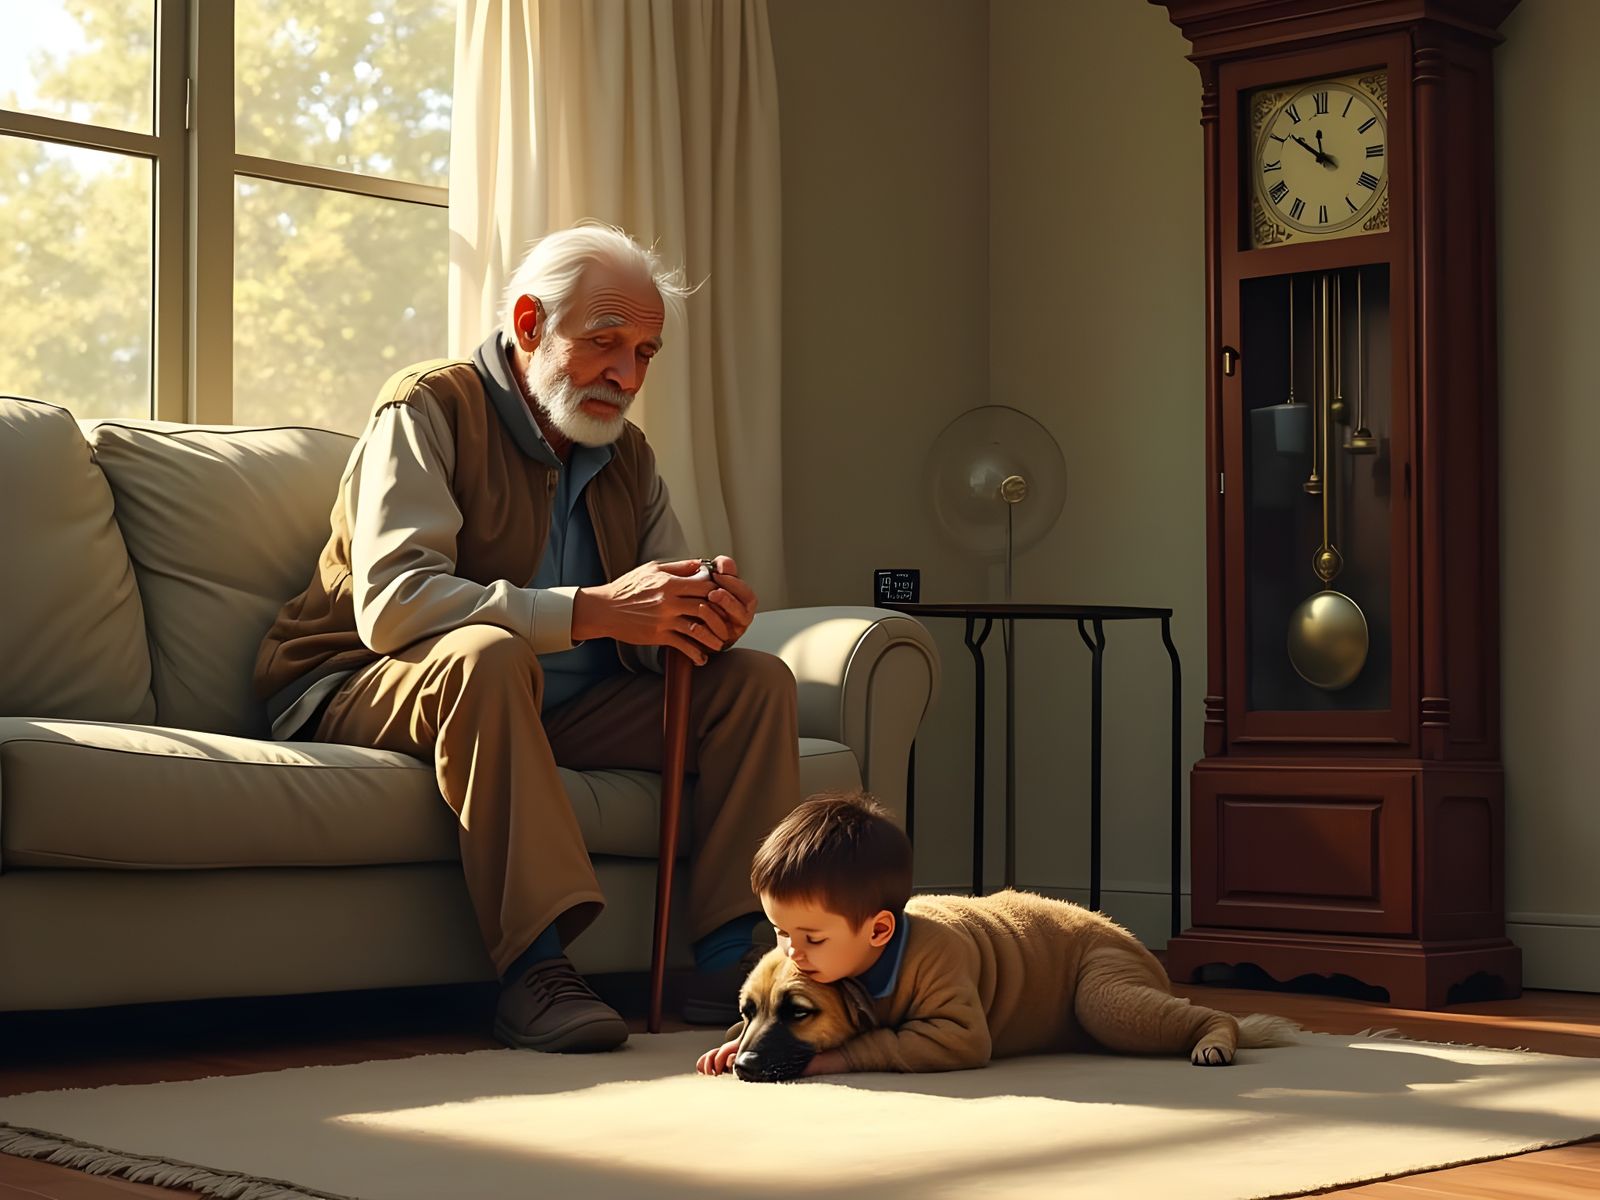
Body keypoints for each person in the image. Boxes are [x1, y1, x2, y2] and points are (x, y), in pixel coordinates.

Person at [253, 221, 798, 1054]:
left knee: (754, 684)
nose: (627, 373)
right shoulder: (427, 406)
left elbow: (647, 619)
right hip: (360, 681)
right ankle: (536, 968)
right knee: (488, 654)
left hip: (540, 706)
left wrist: (699, 615)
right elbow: (394, 604)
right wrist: (594, 609)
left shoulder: (627, 456)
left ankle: (732, 959)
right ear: (530, 324)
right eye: (606, 341)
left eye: (646, 353)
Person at [697, 792, 1295, 1078]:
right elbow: (784, 1009)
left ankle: (1208, 1023)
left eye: (808, 938)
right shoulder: (825, 949)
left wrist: (839, 1059)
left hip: (1083, 959)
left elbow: (964, 1042)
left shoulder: (933, 957)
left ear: (879, 929)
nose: (794, 952)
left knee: (1111, 1015)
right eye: (779, 934)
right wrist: (744, 1038)